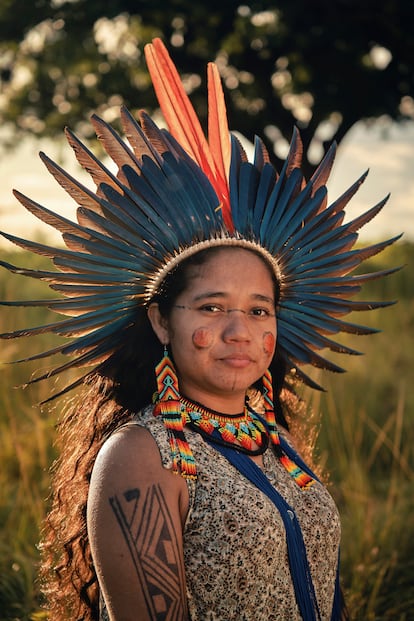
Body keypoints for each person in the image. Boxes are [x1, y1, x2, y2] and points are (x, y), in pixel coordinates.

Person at [0, 39, 399, 620]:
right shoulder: (141, 456)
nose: (240, 330)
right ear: (161, 319)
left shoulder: (274, 440)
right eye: (211, 308)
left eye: (260, 310)